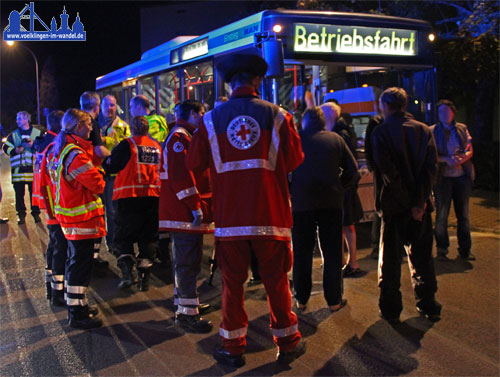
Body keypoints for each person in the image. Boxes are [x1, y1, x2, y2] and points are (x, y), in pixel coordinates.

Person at [186, 53, 306, 367]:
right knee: (276, 282)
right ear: (257, 81)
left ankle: (233, 348)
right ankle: (288, 343)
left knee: (232, 284)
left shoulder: (210, 120)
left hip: (231, 221)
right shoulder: (278, 116)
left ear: (230, 82)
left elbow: (193, 164)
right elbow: (293, 160)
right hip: (270, 217)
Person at [371, 87, 441, 323]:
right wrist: (419, 203)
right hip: (420, 208)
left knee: (390, 260)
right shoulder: (423, 130)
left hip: (393, 207)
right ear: (405, 105)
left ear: (385, 106)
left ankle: (391, 308)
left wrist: (405, 202)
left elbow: (387, 172)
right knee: (422, 257)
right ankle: (428, 303)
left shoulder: (381, 132)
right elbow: (430, 169)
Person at [290, 107, 358, 312]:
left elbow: (282, 169)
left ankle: (301, 299)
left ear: (304, 122)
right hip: (331, 202)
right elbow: (353, 171)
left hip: (302, 204)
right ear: (322, 122)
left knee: (302, 252)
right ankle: (334, 300)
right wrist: (340, 186)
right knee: (332, 252)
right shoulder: (336, 140)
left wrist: (291, 190)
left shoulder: (295, 139)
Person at [158, 100, 214, 333]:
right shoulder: (180, 139)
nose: (203, 117)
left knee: (187, 260)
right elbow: (182, 176)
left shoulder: (183, 136)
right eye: (201, 113)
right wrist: (195, 206)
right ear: (192, 114)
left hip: (184, 212)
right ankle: (187, 314)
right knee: (187, 262)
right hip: (184, 213)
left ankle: (185, 303)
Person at [50, 108, 106, 329]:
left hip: (74, 218)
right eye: (89, 124)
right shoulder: (75, 153)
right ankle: (76, 313)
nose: (91, 128)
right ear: (78, 126)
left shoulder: (67, 150)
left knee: (78, 263)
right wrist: (101, 170)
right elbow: (98, 184)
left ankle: (79, 304)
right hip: (81, 219)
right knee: (80, 265)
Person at [103, 116, 161, 291]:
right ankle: (145, 278)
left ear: (132, 129)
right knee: (148, 238)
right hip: (152, 198)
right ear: (147, 129)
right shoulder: (156, 147)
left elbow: (111, 166)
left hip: (128, 198)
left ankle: (128, 274)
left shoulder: (127, 145)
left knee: (123, 238)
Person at [321, 102, 363, 277]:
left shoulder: (340, 134)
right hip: (342, 187)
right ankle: (343, 261)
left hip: (342, 188)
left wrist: (342, 185)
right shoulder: (339, 132)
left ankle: (352, 262)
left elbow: (345, 163)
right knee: (342, 224)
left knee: (346, 224)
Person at [431, 100, 475, 261]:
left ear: (453, 112)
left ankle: (465, 250)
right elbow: (430, 155)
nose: (444, 114)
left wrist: (463, 158)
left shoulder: (461, 129)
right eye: (440, 112)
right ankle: (442, 249)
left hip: (461, 177)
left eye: (446, 111)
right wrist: (446, 159)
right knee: (442, 215)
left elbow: (470, 149)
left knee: (463, 215)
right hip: (442, 178)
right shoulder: (433, 131)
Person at [33, 110, 68, 305]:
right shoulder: (54, 144)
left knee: (54, 244)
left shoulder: (43, 141)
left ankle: (51, 285)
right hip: (53, 200)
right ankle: (57, 292)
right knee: (59, 245)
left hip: (46, 199)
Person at [80, 91, 110, 272]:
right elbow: (99, 151)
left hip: (79, 175)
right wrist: (113, 153)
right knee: (97, 218)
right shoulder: (93, 124)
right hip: (92, 174)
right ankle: (93, 258)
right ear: (97, 106)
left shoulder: (77, 123)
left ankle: (86, 256)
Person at [98, 95, 131, 255]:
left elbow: (126, 147)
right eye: (107, 105)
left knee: (112, 211)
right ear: (101, 106)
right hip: (96, 172)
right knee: (98, 210)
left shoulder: (123, 126)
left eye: (112, 105)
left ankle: (113, 243)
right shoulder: (94, 124)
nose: (110, 108)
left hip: (113, 174)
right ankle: (97, 246)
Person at [2, 111, 42, 224]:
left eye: (19, 118)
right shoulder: (14, 135)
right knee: (19, 196)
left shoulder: (35, 133)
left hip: (33, 170)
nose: (17, 120)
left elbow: (43, 147)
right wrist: (15, 150)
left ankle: (36, 214)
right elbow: (5, 148)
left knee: (34, 195)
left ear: (26, 119)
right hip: (18, 172)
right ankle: (21, 215)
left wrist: (33, 145)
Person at [364, 113, 384, 259]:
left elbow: (368, 147)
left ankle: (377, 245)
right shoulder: (377, 122)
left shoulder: (376, 123)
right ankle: (377, 244)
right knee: (380, 208)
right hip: (381, 171)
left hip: (381, 170)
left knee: (381, 207)